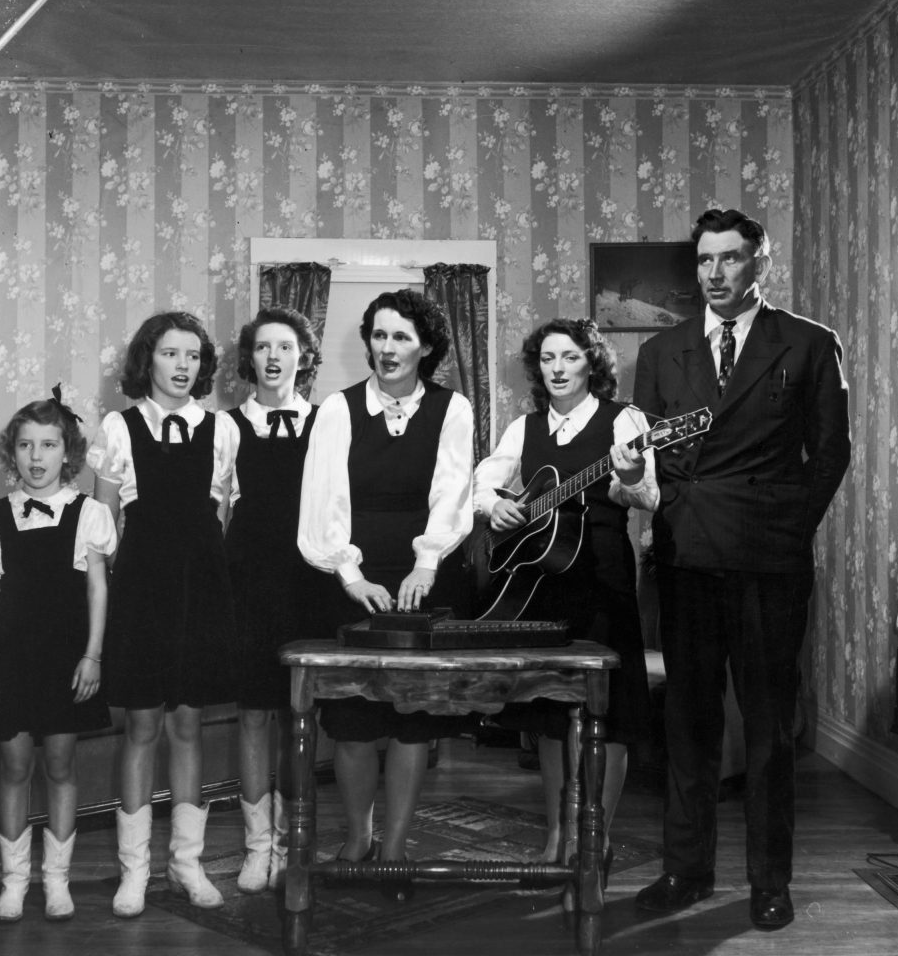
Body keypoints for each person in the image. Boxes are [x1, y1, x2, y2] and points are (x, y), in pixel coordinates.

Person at [632, 209, 851, 930]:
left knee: (767, 730)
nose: (715, 273)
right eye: (704, 260)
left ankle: (768, 882)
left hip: (768, 561)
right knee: (688, 726)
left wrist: (788, 527)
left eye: (730, 258)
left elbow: (831, 452)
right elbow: (645, 461)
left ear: (760, 261)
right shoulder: (662, 352)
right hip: (686, 556)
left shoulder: (810, 344)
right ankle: (685, 871)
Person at [298, 288, 474, 902]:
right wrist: (351, 575)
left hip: (424, 574)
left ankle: (394, 851)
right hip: (354, 576)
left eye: (402, 337)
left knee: (412, 723)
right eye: (379, 335)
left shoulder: (453, 409)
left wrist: (428, 563)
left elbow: (452, 494)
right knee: (350, 723)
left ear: (426, 347)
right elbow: (322, 504)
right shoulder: (337, 411)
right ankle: (358, 838)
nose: (388, 347)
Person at [473, 317, 655, 878]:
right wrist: (491, 504)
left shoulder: (624, 420)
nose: (557, 368)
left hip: (603, 575)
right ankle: (556, 833)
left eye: (570, 357)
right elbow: (484, 480)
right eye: (548, 358)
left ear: (591, 364)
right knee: (550, 715)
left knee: (608, 711)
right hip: (541, 584)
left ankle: (592, 834)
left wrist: (629, 473)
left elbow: (648, 495)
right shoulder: (523, 428)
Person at [88, 311, 238, 917]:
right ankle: (134, 870)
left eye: (193, 356)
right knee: (142, 726)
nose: (183, 366)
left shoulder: (222, 428)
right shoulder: (118, 428)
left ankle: (186, 863)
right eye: (171, 354)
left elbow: (221, 517)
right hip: (142, 593)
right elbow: (103, 529)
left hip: (200, 590)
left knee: (187, 726)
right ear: (147, 360)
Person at [0, 390, 116, 922]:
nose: (37, 457)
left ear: (67, 452)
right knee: (13, 764)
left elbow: (98, 589)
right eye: (27, 445)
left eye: (48, 445)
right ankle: (14, 881)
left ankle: (56, 880)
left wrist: (93, 655)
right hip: (11, 656)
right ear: (14, 453)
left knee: (59, 763)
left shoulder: (91, 514)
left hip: (65, 655)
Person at [217, 307, 323, 893]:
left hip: (306, 583)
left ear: (303, 356)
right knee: (254, 712)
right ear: (250, 358)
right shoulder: (227, 426)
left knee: (297, 714)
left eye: (286, 347)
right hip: (248, 583)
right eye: (264, 348)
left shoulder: (327, 422)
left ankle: (293, 842)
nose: (275, 358)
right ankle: (258, 847)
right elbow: (218, 509)